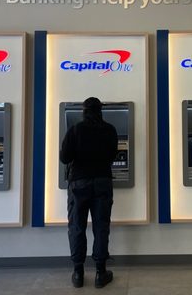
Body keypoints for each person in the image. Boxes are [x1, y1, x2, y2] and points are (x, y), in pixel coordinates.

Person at [60, 97, 118, 289]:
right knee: (101, 226)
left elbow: (64, 157)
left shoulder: (75, 129)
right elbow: (112, 155)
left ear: (84, 111)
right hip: (102, 181)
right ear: (100, 111)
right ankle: (100, 273)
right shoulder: (109, 130)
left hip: (79, 183)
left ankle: (78, 273)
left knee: (77, 226)